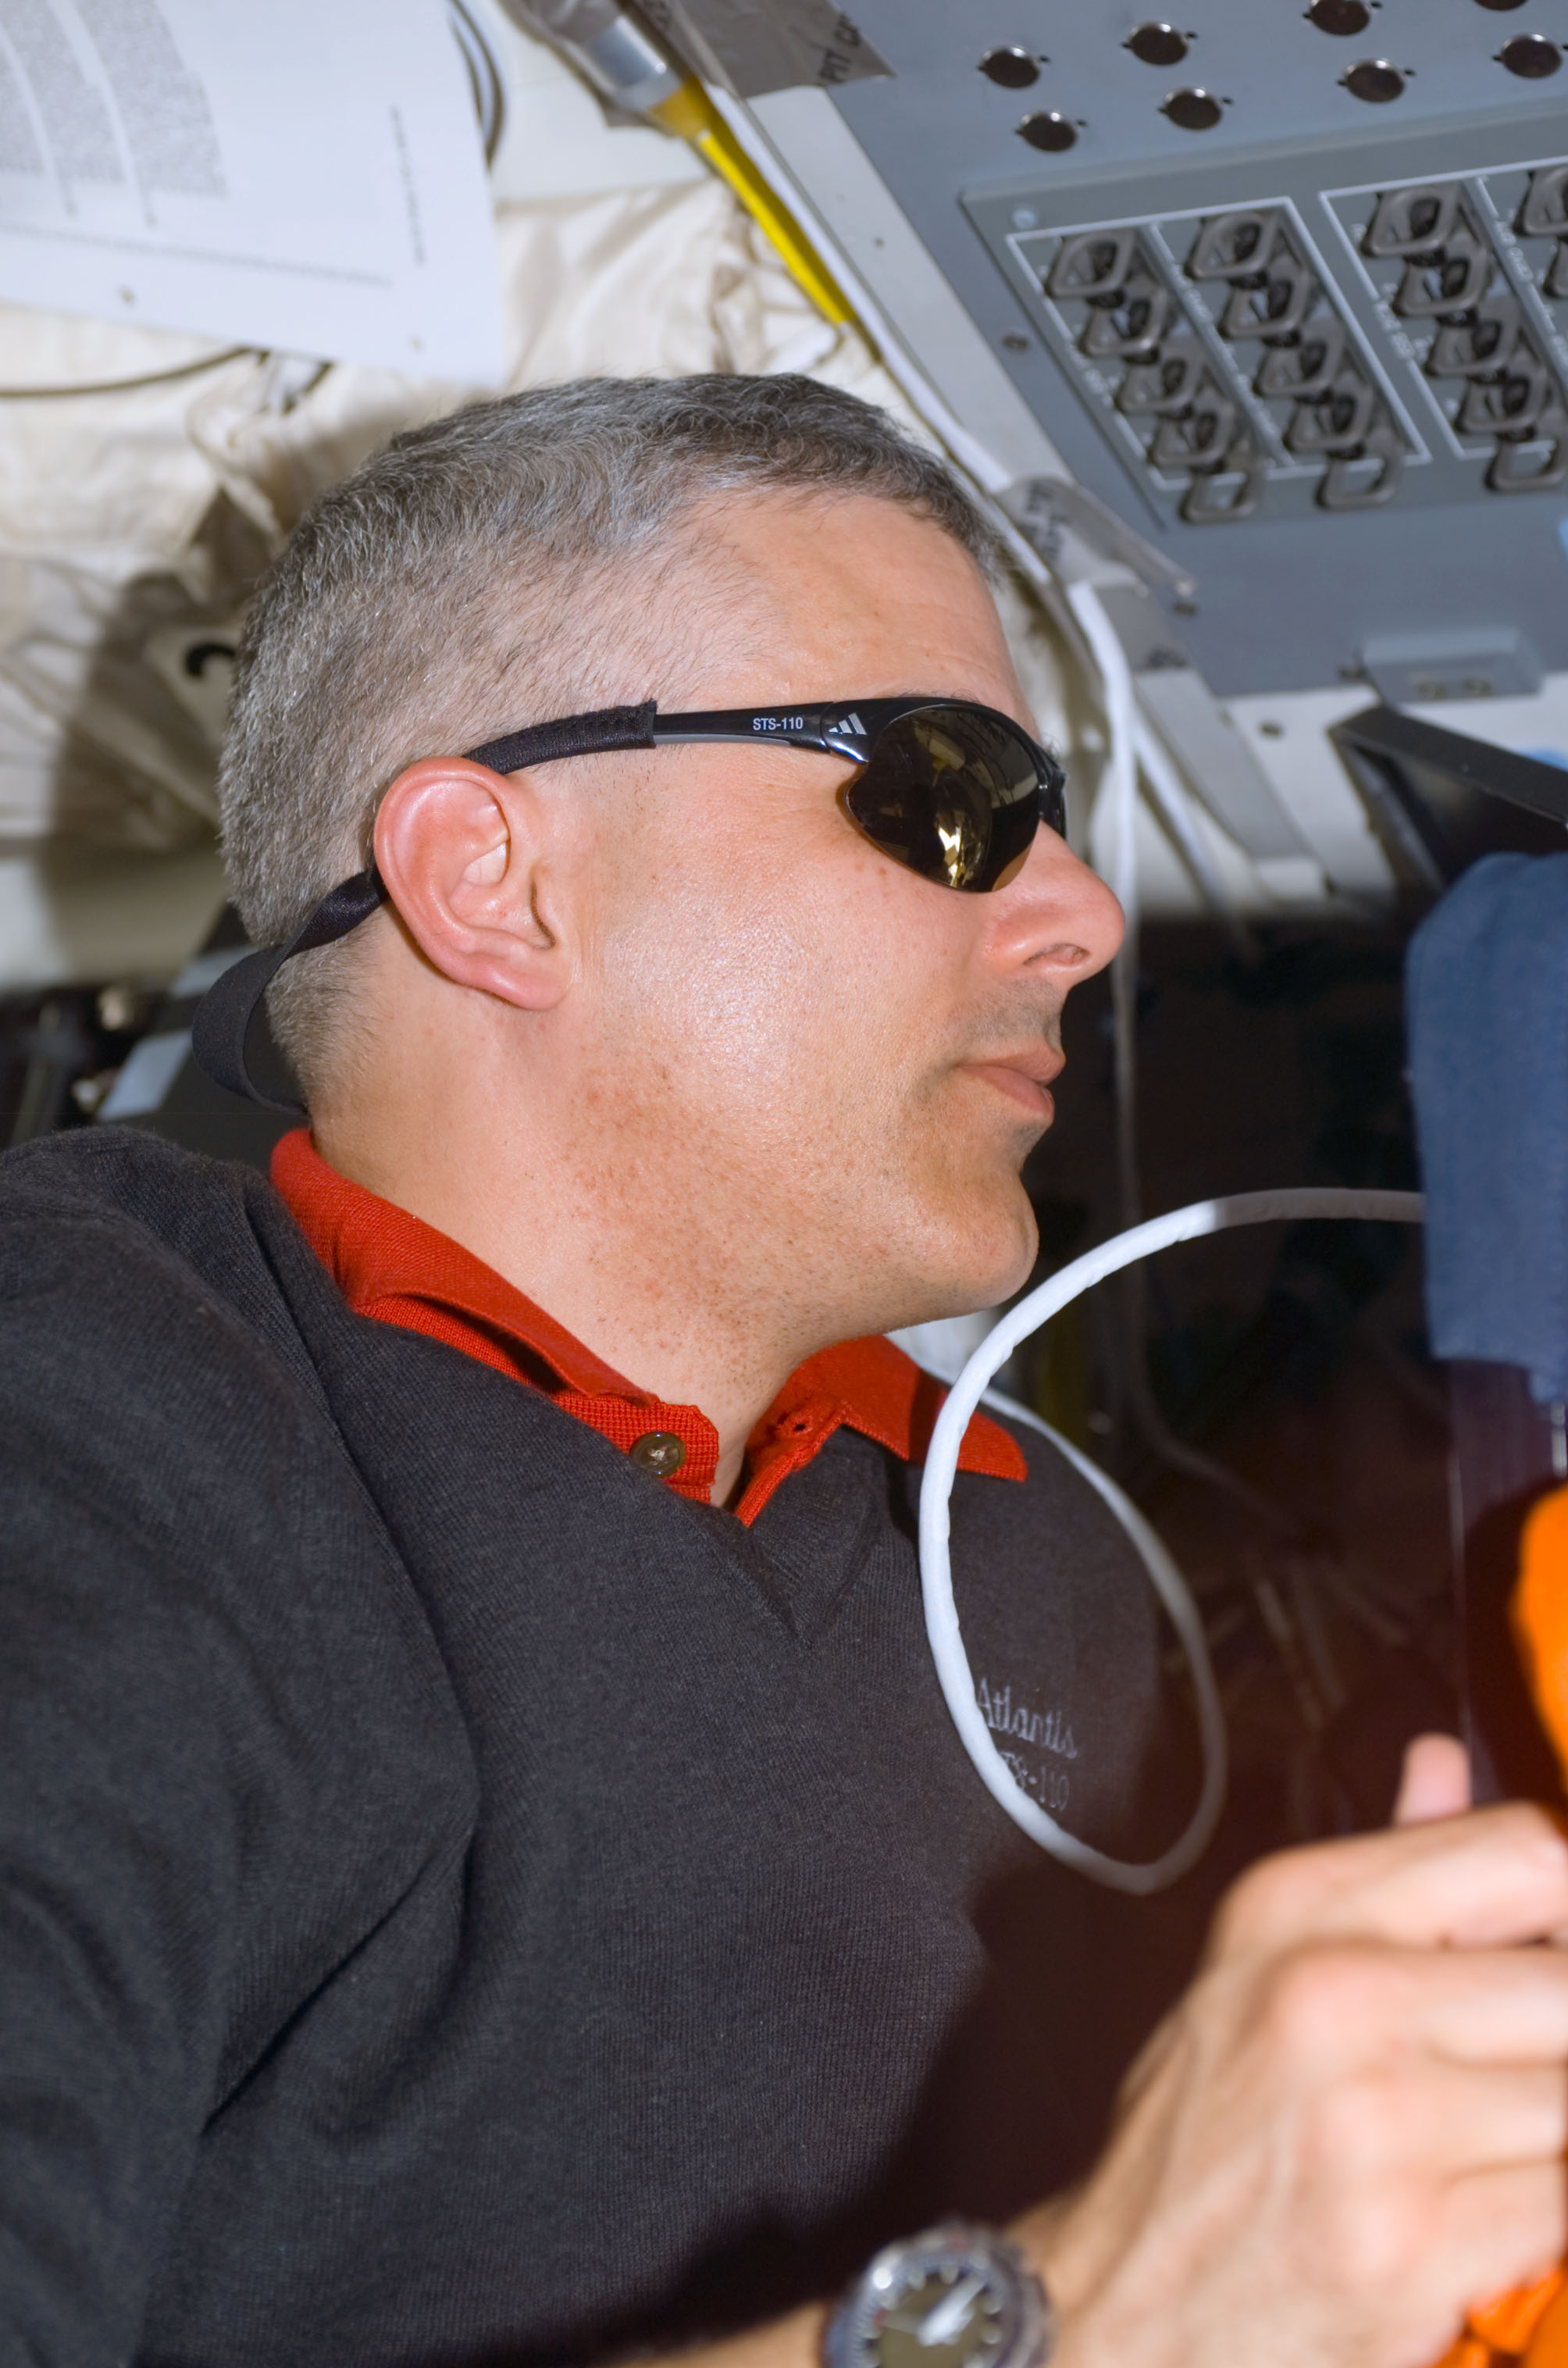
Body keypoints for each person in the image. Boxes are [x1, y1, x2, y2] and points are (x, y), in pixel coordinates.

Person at [1, 374, 1564, 2368]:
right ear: (498, 878)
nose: (1078, 916)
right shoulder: (104, 1405)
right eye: (944, 794)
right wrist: (1079, 2317)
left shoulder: (1031, 1566)